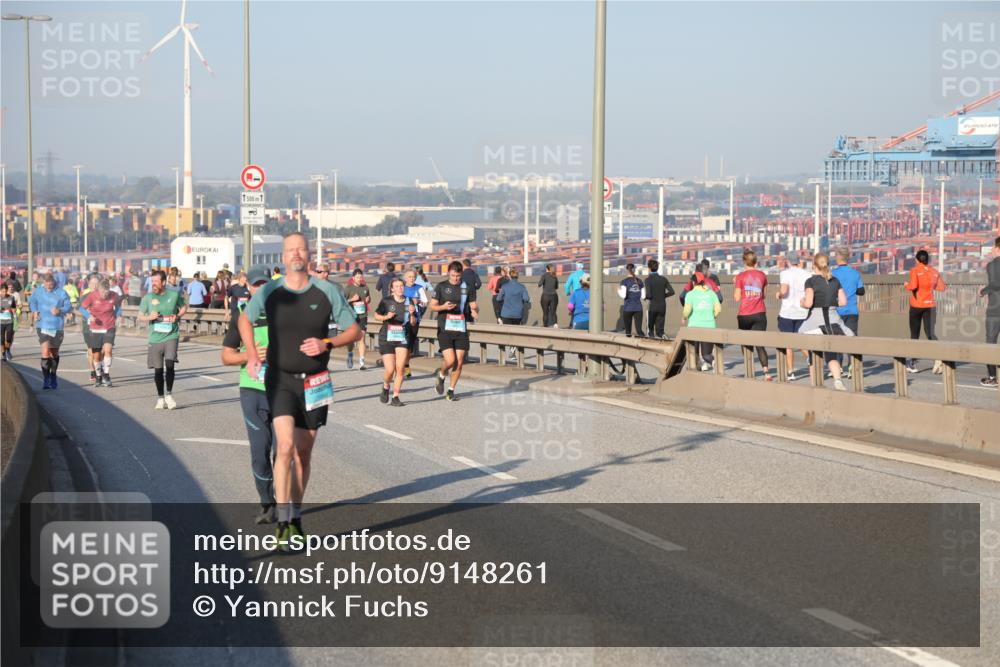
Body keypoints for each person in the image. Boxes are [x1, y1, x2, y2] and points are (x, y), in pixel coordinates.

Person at [241, 233, 361, 549]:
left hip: (315, 382)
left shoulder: (327, 291)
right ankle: (282, 523)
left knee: (303, 453)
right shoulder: (270, 290)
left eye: (301, 249)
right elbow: (244, 319)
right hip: (279, 379)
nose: (296, 254)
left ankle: (295, 515)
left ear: (308, 255)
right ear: (283, 255)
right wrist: (253, 353)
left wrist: (327, 343)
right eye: (291, 249)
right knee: (283, 447)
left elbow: (354, 330)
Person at [221, 265, 277, 525]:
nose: (260, 289)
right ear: (247, 286)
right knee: (259, 452)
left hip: (283, 391)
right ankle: (267, 503)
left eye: (264, 283)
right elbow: (226, 356)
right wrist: (250, 355)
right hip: (253, 391)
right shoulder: (241, 315)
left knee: (286, 453)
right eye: (255, 284)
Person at [799, 252, 853, 391]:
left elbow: (809, 303)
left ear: (814, 266)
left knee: (800, 338)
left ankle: (814, 385)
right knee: (831, 355)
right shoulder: (835, 280)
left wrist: (802, 302)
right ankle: (838, 380)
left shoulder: (810, 281)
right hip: (833, 318)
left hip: (815, 320)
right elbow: (843, 302)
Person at [138, 270, 188, 409]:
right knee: (158, 371)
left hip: (171, 335)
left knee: (170, 364)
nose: (153, 284)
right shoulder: (147, 298)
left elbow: (184, 307)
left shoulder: (174, 294)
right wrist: (150, 317)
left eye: (156, 281)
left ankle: (169, 394)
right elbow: (140, 316)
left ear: (163, 282)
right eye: (152, 281)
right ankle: (160, 397)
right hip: (155, 338)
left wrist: (177, 316)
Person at [430, 260, 479, 402]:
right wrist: (444, 307)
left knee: (459, 361)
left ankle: (451, 390)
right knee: (450, 360)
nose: (455, 278)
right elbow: (433, 306)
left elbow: (473, 304)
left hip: (460, 327)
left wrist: (475, 311)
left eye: (458, 276)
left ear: (461, 274)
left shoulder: (467, 287)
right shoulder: (441, 286)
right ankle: (441, 373)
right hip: (445, 327)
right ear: (448, 273)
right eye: (452, 276)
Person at [374, 277, 418, 406]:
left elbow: (413, 323)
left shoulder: (409, 301)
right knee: (390, 369)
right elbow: (376, 315)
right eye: (397, 286)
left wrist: (412, 314)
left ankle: (396, 396)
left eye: (401, 286)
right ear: (392, 289)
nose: (400, 288)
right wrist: (386, 317)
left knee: (400, 369)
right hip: (387, 337)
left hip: (402, 337)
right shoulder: (386, 301)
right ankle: (386, 385)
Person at [904, 249, 946, 373]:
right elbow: (942, 287)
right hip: (930, 306)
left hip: (917, 306)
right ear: (927, 260)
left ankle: (911, 363)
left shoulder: (915, 270)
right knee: (930, 333)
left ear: (917, 260)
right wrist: (929, 286)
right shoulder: (934, 271)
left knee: (914, 334)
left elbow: (913, 286)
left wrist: (906, 284)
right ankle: (939, 358)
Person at [733, 249, 771, 380]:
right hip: (759, 312)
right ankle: (766, 372)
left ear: (744, 261)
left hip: (744, 314)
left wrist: (737, 286)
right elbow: (764, 295)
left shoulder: (740, 277)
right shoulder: (762, 275)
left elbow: (737, 298)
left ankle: (749, 370)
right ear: (756, 261)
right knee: (760, 344)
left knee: (746, 343)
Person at [29, 273, 72, 390]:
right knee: (45, 351)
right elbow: (32, 301)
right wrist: (34, 310)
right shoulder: (38, 291)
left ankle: (53, 375)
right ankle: (46, 379)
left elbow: (69, 306)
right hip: (42, 324)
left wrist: (60, 310)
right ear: (43, 282)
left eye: (51, 282)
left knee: (54, 353)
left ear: (54, 282)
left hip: (57, 326)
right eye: (46, 282)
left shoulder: (61, 292)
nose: (49, 284)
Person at [79, 279, 122, 387]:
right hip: (96, 328)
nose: (105, 294)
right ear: (99, 290)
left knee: (108, 350)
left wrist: (116, 314)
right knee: (96, 355)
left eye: (107, 292)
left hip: (109, 326)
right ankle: (98, 376)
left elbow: (118, 306)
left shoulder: (114, 295)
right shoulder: (92, 296)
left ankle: (106, 374)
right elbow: (81, 308)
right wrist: (89, 316)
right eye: (103, 292)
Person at [831, 246, 865, 377]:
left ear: (837, 257)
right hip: (851, 310)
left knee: (837, 339)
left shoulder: (833, 274)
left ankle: (838, 367)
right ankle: (852, 366)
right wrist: (852, 290)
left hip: (837, 311)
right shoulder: (855, 273)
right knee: (851, 338)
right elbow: (861, 291)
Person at [777, 255, 811, 381]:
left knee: (788, 343)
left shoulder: (785, 273)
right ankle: (810, 357)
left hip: (787, 312)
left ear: (788, 261)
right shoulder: (807, 274)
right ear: (799, 262)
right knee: (800, 339)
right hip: (802, 312)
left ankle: (791, 372)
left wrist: (779, 294)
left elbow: (784, 290)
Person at [682, 271, 721, 371]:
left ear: (694, 283)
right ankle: (713, 362)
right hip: (709, 326)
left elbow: (687, 310)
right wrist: (713, 315)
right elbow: (718, 308)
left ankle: (696, 372)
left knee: (693, 353)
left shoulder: (690, 295)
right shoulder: (711, 293)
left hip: (694, 326)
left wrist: (684, 317)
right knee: (706, 354)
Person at [497, 268, 531, 360]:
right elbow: (526, 299)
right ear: (517, 276)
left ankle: (507, 351)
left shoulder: (504, 286)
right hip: (517, 314)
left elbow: (498, 299)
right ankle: (512, 352)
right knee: (515, 333)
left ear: (510, 276)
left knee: (508, 333)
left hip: (506, 313)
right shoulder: (522, 287)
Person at [980, 236, 1000, 388]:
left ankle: (992, 377)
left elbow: (995, 283)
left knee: (990, 343)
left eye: (993, 247)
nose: (992, 250)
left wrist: (983, 291)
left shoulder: (993, 265)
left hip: (996, 310)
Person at [402, 269, 429, 377]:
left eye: (413, 277)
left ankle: (406, 365)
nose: (412, 279)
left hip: (414, 320)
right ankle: (400, 366)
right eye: (409, 277)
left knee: (409, 347)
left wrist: (418, 302)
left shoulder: (419, 288)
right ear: (405, 278)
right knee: (402, 345)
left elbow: (425, 303)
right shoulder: (401, 288)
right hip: (402, 320)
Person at [344, 269, 371, 371]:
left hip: (363, 316)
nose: (360, 279)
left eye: (361, 277)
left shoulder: (365, 288)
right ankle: (350, 353)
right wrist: (352, 300)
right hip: (352, 316)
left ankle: (362, 361)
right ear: (353, 278)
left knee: (362, 338)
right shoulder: (348, 289)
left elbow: (368, 299)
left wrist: (368, 300)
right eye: (357, 277)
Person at [644, 259, 674, 339]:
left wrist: (645, 297)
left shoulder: (647, 280)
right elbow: (672, 292)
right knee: (660, 330)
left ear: (649, 268)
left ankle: (651, 343)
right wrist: (663, 296)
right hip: (662, 306)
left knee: (650, 329)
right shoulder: (663, 279)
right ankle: (663, 337)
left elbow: (649, 295)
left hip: (652, 307)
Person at [618, 263, 645, 337]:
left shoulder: (624, 281)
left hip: (628, 308)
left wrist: (618, 290)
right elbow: (643, 296)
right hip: (638, 308)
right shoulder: (639, 281)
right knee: (639, 330)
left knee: (628, 332)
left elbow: (623, 295)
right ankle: (645, 343)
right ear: (635, 270)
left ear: (627, 270)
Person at [0, 284, 17, 361]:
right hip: (1, 322)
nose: (4, 293)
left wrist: (14, 314)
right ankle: (3, 355)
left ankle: (7, 350)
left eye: (5, 291)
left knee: (9, 338)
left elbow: (13, 307)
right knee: (2, 339)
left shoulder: (11, 297)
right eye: (2, 291)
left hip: (9, 321)